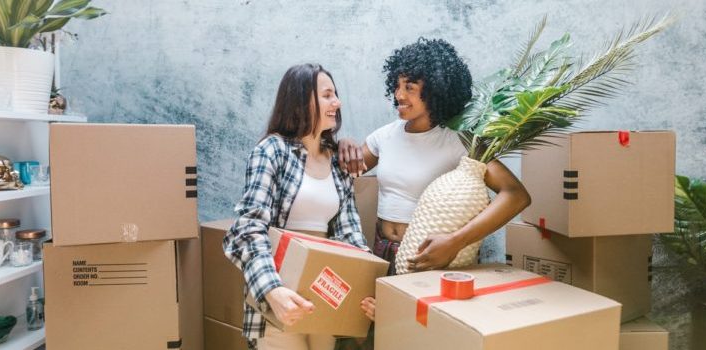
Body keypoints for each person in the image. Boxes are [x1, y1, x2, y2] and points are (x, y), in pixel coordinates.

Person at [337, 38, 531, 322]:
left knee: (421, 336)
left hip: (429, 259)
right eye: (397, 85)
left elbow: (515, 195)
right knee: (382, 334)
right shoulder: (386, 136)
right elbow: (343, 170)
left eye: (409, 87)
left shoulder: (459, 141)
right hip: (381, 252)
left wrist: (455, 242)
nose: (398, 94)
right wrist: (345, 143)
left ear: (437, 90)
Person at [223, 63, 369, 350]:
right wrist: (272, 291)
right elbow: (247, 229)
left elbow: (350, 235)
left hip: (325, 294)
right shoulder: (272, 152)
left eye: (335, 94)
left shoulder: (337, 161)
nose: (337, 103)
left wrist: (364, 290)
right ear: (302, 99)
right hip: (280, 292)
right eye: (327, 95)